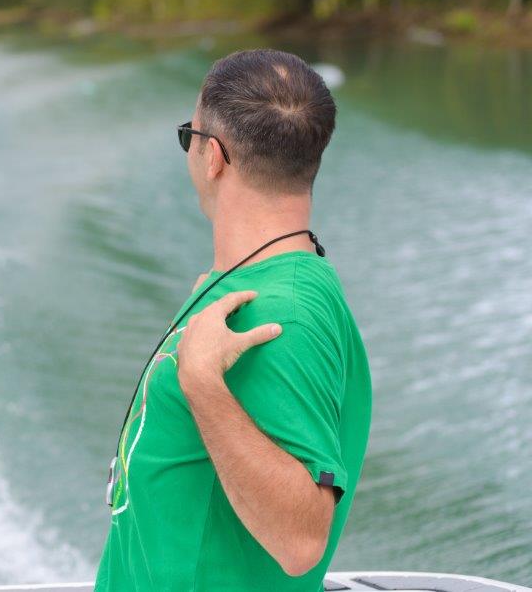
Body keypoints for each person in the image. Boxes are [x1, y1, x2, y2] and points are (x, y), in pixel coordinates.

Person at [96, 49, 371, 591]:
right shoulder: (270, 275)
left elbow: (301, 542)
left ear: (213, 156)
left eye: (188, 137)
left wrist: (201, 383)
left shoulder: (280, 315)